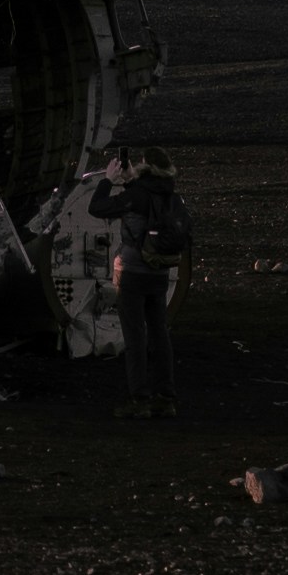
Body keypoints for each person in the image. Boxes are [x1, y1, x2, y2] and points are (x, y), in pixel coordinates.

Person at [96, 145, 191, 415]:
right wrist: (130, 182)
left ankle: (139, 399)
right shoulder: (172, 196)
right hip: (159, 274)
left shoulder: (137, 195)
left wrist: (108, 180)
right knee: (160, 334)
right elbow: (146, 200)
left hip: (133, 275)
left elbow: (97, 208)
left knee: (135, 336)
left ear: (145, 166)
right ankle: (166, 397)